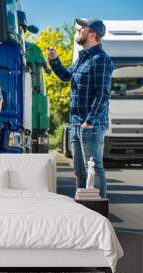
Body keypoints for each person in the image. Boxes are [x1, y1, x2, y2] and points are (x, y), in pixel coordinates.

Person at [47, 18, 113, 198]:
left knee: (94, 168)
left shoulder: (101, 59)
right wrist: (55, 61)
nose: (78, 29)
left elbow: (103, 94)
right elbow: (67, 76)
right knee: (79, 171)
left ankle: (98, 209)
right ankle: (84, 207)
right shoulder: (83, 57)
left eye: (82, 27)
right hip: (76, 124)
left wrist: (89, 121)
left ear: (93, 34)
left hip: (90, 125)